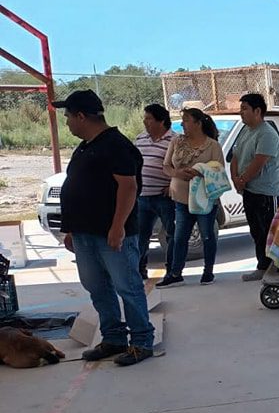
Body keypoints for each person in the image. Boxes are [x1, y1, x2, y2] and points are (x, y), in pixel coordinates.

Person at [55, 89, 155, 366]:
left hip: (111, 233)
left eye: (68, 117)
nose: (67, 123)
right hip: (85, 233)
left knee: (128, 287)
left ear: (82, 116)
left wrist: (117, 227)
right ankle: (113, 337)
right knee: (97, 287)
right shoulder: (86, 146)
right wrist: (72, 229)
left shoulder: (116, 145)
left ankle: (141, 341)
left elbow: (128, 186)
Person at [158, 108, 225, 287]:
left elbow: (219, 169)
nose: (182, 124)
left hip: (205, 199)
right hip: (181, 198)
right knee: (180, 237)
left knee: (207, 236)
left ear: (198, 123)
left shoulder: (212, 145)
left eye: (186, 120)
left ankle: (208, 272)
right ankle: (175, 273)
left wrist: (200, 171)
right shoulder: (176, 142)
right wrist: (177, 173)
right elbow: (165, 166)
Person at [230, 93, 279, 282]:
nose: (241, 113)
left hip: (267, 193)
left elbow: (259, 161)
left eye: (245, 109)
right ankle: (262, 266)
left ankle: (277, 268)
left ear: (257, 111)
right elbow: (235, 156)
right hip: (250, 191)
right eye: (241, 109)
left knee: (271, 233)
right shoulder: (245, 131)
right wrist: (235, 178)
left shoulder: (267, 133)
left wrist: (242, 179)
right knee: (257, 232)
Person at [134, 104, 176, 281]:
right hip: (142, 196)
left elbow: (181, 165)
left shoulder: (175, 140)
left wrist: (172, 184)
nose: (145, 122)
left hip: (165, 197)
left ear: (161, 121)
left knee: (171, 234)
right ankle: (139, 269)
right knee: (140, 235)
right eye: (145, 118)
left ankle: (172, 270)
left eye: (149, 118)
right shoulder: (140, 139)